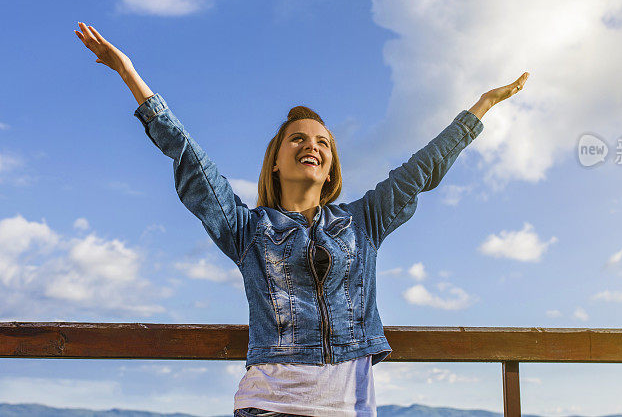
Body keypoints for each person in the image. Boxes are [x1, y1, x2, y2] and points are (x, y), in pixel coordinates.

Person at [75, 22, 529, 417]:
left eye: (323, 142)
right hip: (270, 407)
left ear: (331, 166)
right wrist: (128, 73)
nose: (311, 145)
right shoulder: (249, 230)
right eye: (297, 138)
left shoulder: (363, 221)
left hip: (352, 408)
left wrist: (483, 106)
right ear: (275, 160)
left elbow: (422, 169)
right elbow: (191, 160)